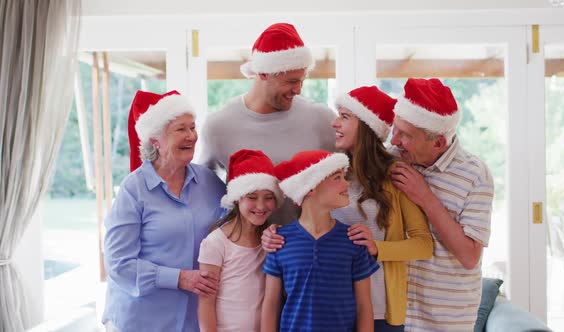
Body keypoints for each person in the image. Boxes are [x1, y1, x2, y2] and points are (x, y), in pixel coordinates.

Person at [262, 86, 434, 331]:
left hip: (379, 307)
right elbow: (306, 220)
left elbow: (423, 244)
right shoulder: (329, 172)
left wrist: (376, 248)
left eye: (344, 116)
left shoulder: (395, 175)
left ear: (367, 126)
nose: (334, 123)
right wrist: (274, 236)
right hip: (329, 308)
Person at [102, 90, 226, 332]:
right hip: (141, 321)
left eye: (192, 127)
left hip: (193, 321)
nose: (191, 136)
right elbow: (119, 264)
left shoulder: (210, 182)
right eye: (181, 129)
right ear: (155, 141)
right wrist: (179, 278)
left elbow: (239, 224)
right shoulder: (133, 189)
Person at [196, 22, 336, 225]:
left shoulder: (322, 119)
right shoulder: (219, 126)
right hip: (247, 252)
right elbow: (204, 193)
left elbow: (354, 178)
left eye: (302, 80)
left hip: (309, 251)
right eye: (291, 81)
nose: (298, 90)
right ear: (263, 73)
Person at [389, 78, 495, 331]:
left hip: (446, 320)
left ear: (438, 143)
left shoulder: (475, 174)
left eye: (405, 135)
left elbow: (469, 256)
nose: (393, 141)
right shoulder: (391, 159)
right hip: (394, 314)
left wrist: (425, 197)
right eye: (395, 129)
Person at [261, 150, 379, 332]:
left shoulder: (353, 240)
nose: (347, 183)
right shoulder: (279, 241)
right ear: (310, 188)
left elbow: (364, 305)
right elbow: (271, 302)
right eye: (337, 178)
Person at [197, 149, 283, 332]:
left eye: (269, 198)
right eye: (252, 197)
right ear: (236, 199)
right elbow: (205, 304)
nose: (261, 206)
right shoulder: (215, 243)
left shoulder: (273, 238)